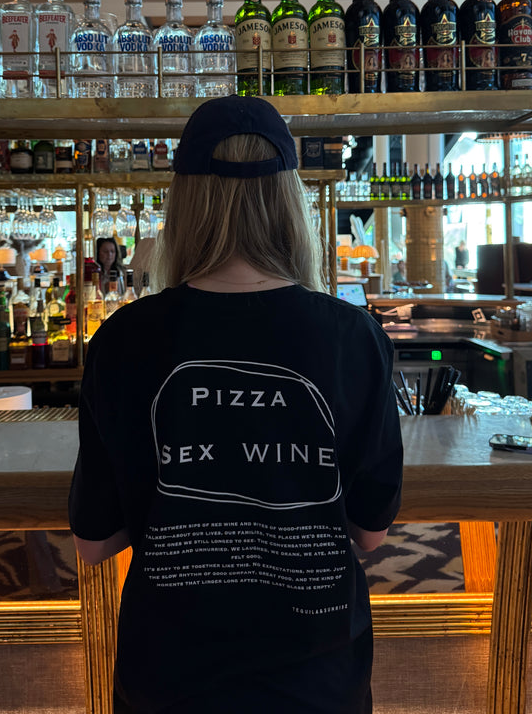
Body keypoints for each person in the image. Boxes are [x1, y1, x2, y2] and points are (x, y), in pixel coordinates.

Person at [69, 95, 403, 714]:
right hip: (318, 679)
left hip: (170, 678)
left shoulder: (123, 338)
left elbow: (93, 544)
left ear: (184, 202)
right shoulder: (352, 336)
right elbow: (371, 533)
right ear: (289, 201)